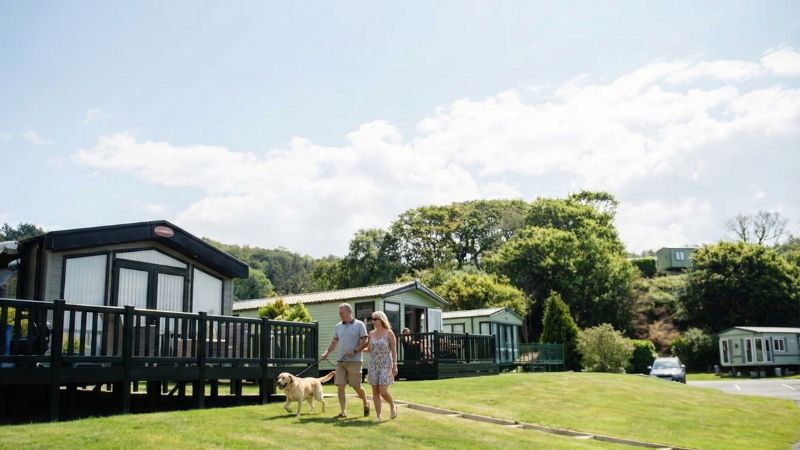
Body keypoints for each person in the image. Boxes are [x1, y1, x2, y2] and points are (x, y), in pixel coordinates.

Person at [320, 303, 370, 419]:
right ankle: (343, 412)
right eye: (339, 313)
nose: (340, 315)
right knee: (340, 386)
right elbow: (334, 342)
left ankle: (366, 402)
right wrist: (326, 352)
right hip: (340, 361)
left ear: (349, 312)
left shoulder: (359, 325)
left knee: (356, 386)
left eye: (341, 313)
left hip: (355, 361)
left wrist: (355, 350)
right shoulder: (338, 326)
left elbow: (365, 341)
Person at [359, 311, 398, 422]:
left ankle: (392, 405)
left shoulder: (389, 333)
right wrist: (360, 350)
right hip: (373, 364)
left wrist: (395, 365)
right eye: (373, 319)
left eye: (375, 318)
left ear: (381, 319)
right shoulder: (371, 333)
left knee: (383, 390)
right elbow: (370, 349)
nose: (373, 321)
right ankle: (378, 416)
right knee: (375, 391)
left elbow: (394, 351)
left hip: (386, 363)